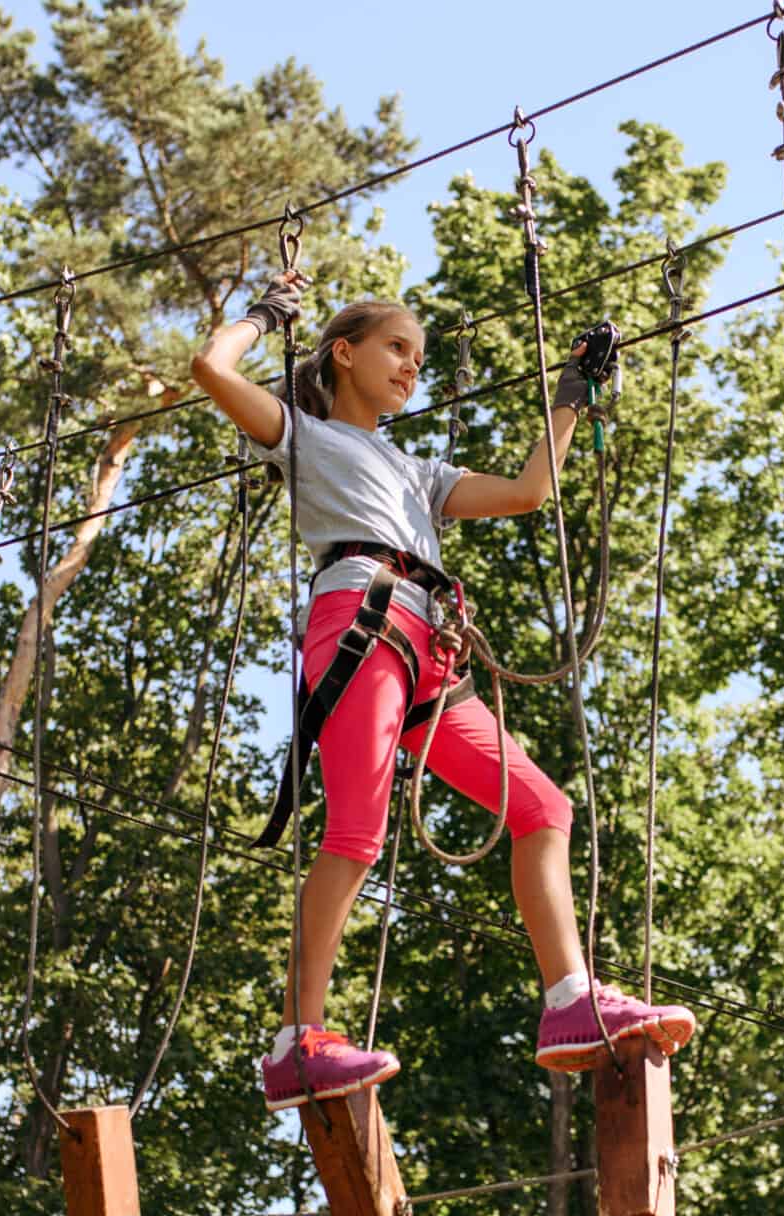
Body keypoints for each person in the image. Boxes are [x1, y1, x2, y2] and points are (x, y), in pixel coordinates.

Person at [189, 273, 696, 1110]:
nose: (412, 368)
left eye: (420, 360)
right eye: (398, 348)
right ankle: (297, 1041)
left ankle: (569, 1001)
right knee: (356, 830)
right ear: (343, 353)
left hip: (430, 643)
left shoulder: (416, 469)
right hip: (361, 621)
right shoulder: (307, 437)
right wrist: (261, 316)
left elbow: (532, 491)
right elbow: (210, 370)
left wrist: (571, 393)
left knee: (543, 807)